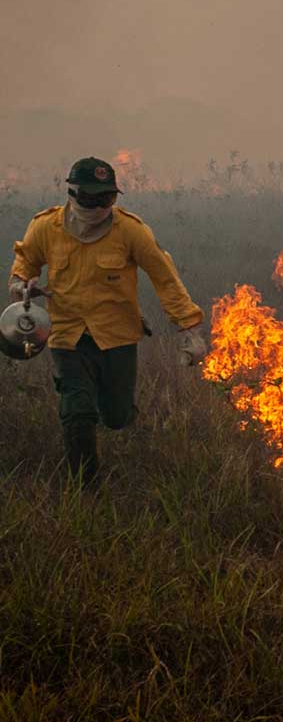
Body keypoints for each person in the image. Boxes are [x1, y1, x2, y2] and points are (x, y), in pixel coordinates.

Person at [9, 156, 209, 487]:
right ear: (73, 193)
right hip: (67, 336)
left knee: (115, 417)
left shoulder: (130, 230)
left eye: (107, 197)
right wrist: (20, 284)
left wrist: (190, 329)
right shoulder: (46, 227)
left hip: (117, 336)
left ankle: (121, 416)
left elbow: (165, 277)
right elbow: (25, 261)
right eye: (92, 196)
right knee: (77, 412)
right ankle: (86, 489)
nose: (100, 205)